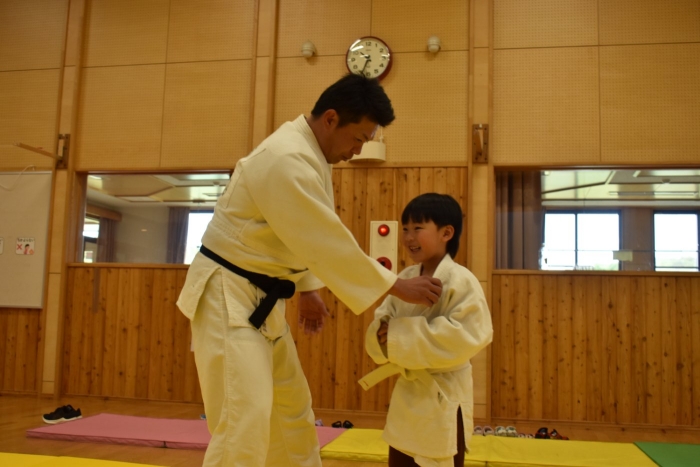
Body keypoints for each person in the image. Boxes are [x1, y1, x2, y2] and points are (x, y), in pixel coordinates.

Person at [176, 74, 443, 467]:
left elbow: (295, 232)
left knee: (291, 415)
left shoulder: (308, 154)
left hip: (263, 298)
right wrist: (397, 287)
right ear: (331, 119)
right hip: (228, 295)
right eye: (359, 138)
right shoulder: (285, 157)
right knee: (243, 422)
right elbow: (323, 238)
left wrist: (308, 288)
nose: (358, 150)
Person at [360, 193, 493, 467]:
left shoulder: (461, 280)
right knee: (400, 457)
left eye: (418, 228)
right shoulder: (405, 278)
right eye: (405, 229)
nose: (409, 237)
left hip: (443, 395)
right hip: (408, 396)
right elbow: (382, 322)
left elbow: (468, 335)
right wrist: (383, 336)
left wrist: (397, 336)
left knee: (438, 457)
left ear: (446, 233)